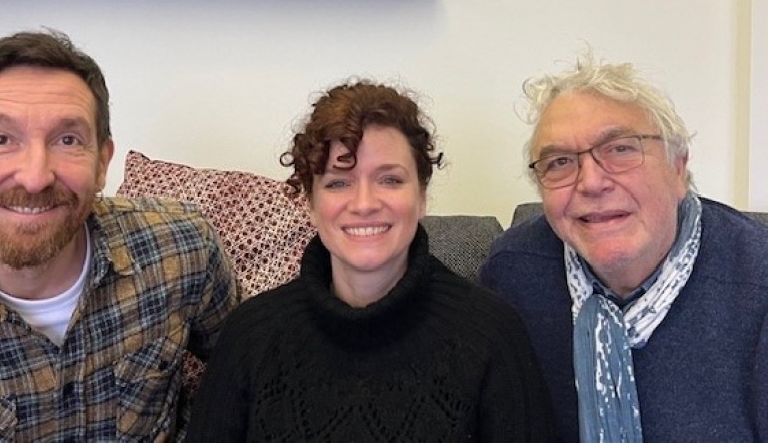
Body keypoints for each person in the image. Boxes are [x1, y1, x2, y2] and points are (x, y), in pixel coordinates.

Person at [0, 30, 239, 440]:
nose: (35, 177)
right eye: (1, 139)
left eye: (67, 140)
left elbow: (248, 375)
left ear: (101, 164)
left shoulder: (183, 249)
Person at [187, 80, 556, 442]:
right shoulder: (250, 335)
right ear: (310, 203)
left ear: (422, 197)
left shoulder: (491, 335)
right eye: (338, 183)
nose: (364, 204)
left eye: (389, 180)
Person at [480, 52, 768, 442]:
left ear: (678, 168)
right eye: (560, 162)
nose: (591, 182)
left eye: (620, 150)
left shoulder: (756, 283)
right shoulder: (514, 274)